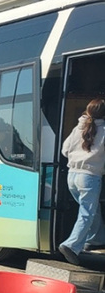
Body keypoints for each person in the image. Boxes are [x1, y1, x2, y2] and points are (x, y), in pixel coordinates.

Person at [59, 98, 105, 264]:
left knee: (91, 209)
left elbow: (65, 150)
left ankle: (96, 239)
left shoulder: (78, 128)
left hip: (72, 176)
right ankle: (71, 245)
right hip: (90, 177)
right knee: (87, 213)